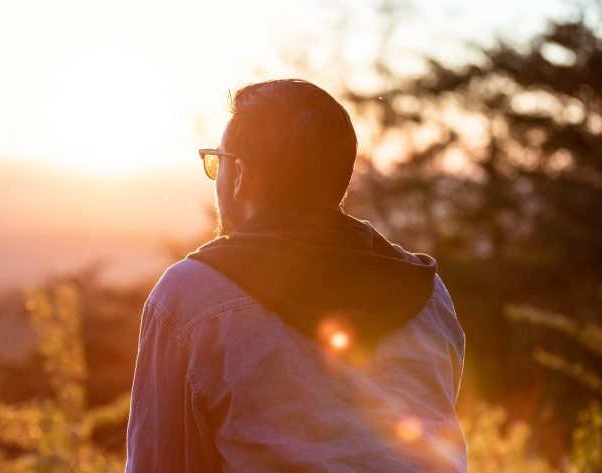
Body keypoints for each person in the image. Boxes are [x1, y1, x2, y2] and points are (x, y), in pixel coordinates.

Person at [124, 79, 467, 472]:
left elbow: (160, 463)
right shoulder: (427, 292)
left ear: (239, 175)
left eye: (217, 161)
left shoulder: (191, 295)